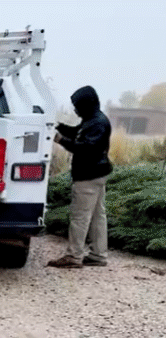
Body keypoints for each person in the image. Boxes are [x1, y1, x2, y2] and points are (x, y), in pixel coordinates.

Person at [48, 85, 113, 269]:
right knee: (97, 217)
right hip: (97, 174)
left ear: (87, 104)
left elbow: (85, 147)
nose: (75, 109)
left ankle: (74, 256)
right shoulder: (93, 119)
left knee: (80, 217)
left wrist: (60, 140)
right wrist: (59, 127)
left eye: (77, 106)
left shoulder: (97, 123)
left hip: (88, 176)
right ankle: (98, 255)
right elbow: (78, 132)